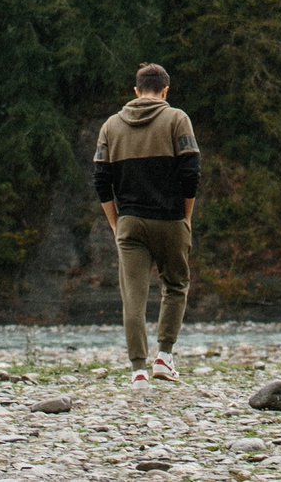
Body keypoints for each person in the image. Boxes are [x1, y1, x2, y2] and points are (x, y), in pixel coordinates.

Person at [92, 62, 200, 383]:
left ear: (136, 91)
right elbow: (190, 173)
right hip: (170, 219)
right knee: (176, 285)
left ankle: (138, 369)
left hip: (129, 223)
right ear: (165, 91)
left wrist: (116, 223)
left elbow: (101, 181)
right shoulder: (177, 119)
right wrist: (186, 216)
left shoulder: (111, 126)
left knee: (133, 299)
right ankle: (164, 357)